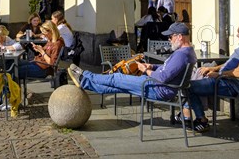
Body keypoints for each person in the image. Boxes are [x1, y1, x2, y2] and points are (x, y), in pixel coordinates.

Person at [68, 22, 197, 103]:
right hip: (159, 87)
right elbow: (167, 68)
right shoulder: (187, 52)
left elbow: (163, 77)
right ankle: (85, 82)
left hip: (158, 89)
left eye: (171, 36)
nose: (169, 40)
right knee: (117, 85)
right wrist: (152, 66)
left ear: (179, 36)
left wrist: (145, 70)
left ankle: (85, 75)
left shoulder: (181, 55)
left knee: (117, 77)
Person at [183, 22, 239, 132]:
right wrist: (215, 68)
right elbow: (230, 63)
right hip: (224, 81)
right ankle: (188, 114)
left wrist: (219, 74)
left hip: (231, 86)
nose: (237, 35)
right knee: (196, 76)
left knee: (188, 86)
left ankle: (200, 120)